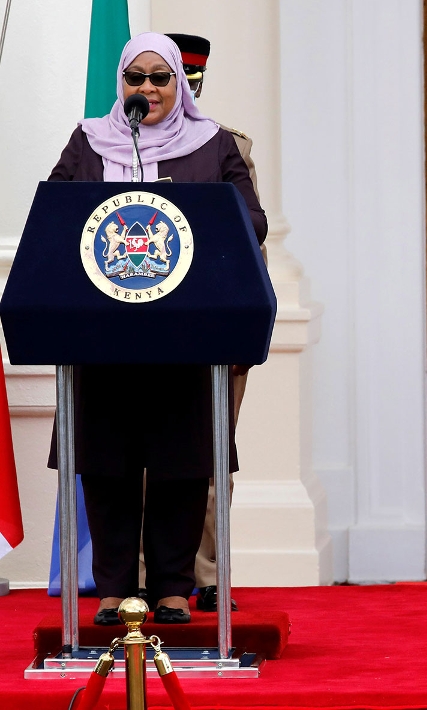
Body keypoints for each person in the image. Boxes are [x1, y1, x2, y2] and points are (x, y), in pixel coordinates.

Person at [47, 32, 267, 625]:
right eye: (135, 78)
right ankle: (115, 588)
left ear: (179, 84)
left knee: (182, 461)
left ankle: (173, 589)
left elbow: (251, 219)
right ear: (122, 83)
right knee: (107, 461)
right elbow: (52, 214)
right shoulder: (89, 141)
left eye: (159, 77)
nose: (146, 88)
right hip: (101, 332)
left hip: (185, 333)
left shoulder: (212, 143)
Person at [167, 32, 260, 613]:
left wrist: (245, 322)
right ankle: (149, 575)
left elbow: (252, 242)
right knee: (141, 462)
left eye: (185, 79)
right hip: (137, 331)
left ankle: (207, 572)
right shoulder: (116, 143)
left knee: (208, 456)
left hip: (211, 325)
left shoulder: (223, 145)